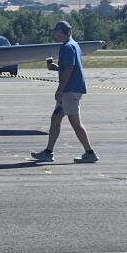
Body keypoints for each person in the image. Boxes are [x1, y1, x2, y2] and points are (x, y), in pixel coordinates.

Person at [31, 21, 98, 163]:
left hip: (69, 90)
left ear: (62, 31)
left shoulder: (67, 47)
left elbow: (69, 69)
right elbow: (68, 67)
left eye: (56, 31)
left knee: (75, 123)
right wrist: (56, 68)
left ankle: (90, 153)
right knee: (55, 119)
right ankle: (48, 152)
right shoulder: (74, 45)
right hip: (72, 89)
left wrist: (60, 89)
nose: (55, 34)